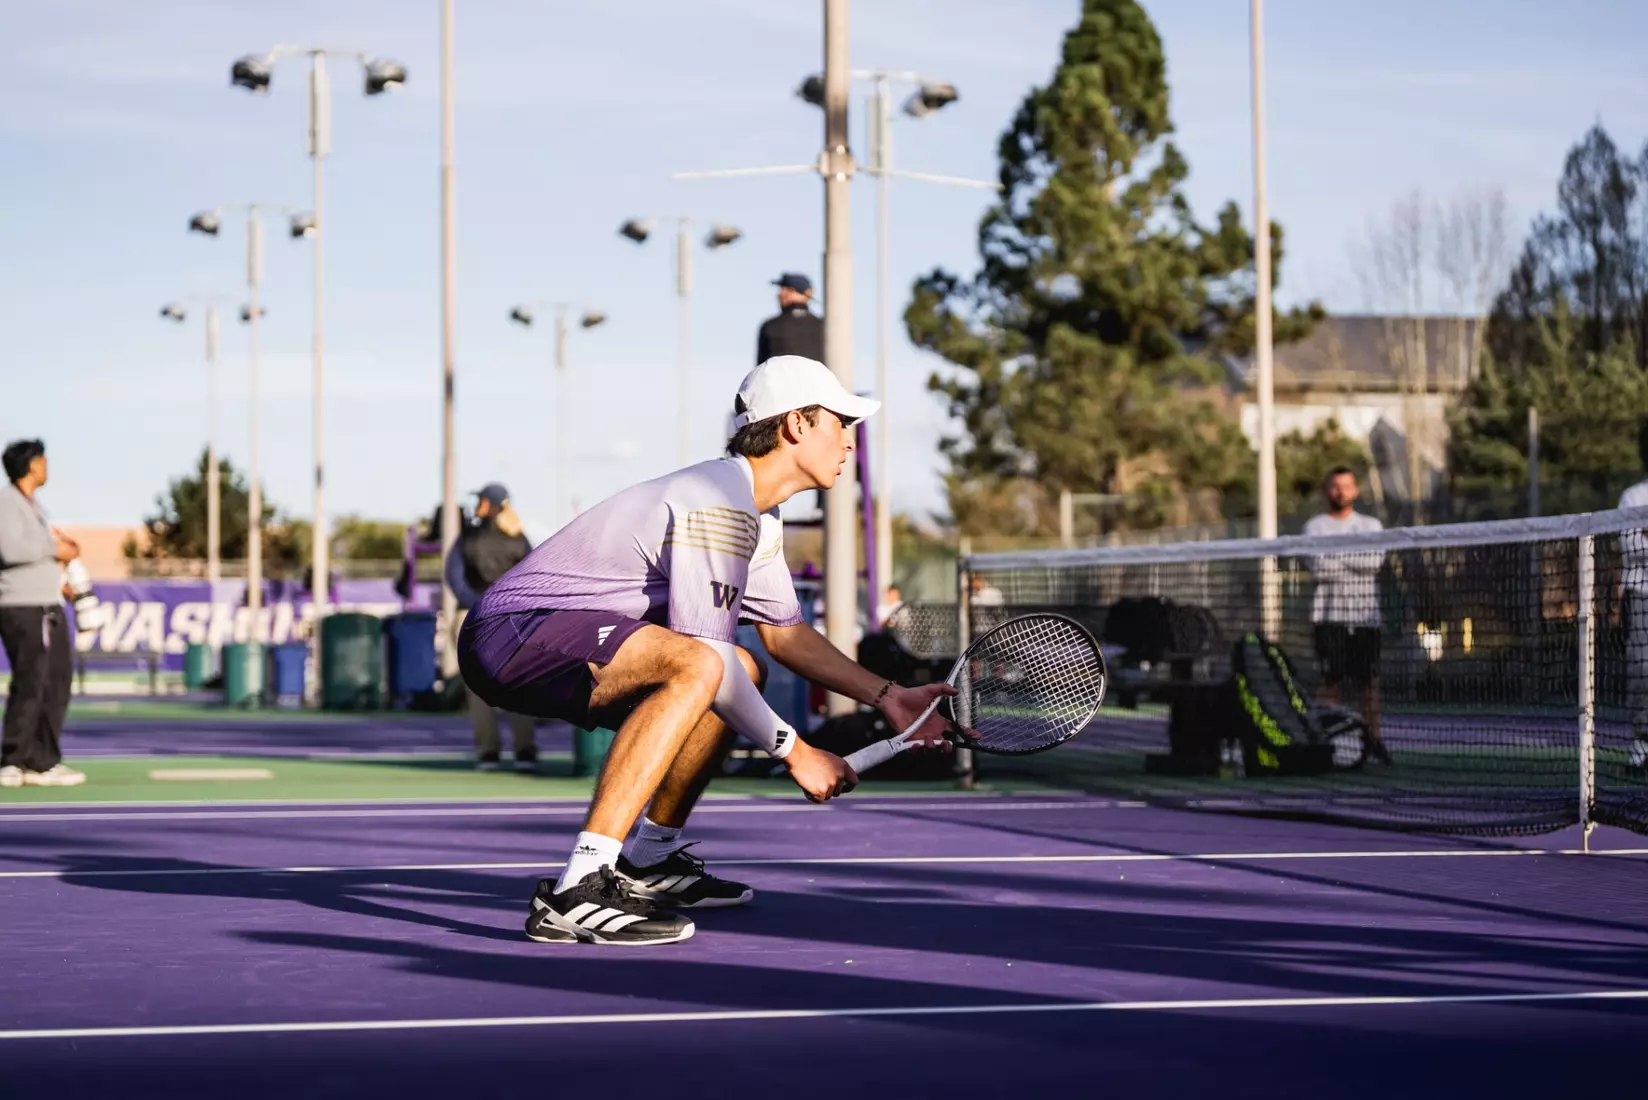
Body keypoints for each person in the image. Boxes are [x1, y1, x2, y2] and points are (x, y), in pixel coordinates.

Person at [459, 355, 959, 946]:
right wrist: (797, 752)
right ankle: (578, 887)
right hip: (510, 631)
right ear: (797, 425)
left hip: (558, 635)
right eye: (840, 422)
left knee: (741, 665)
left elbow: (785, 635)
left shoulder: (759, 517)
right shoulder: (716, 499)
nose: (849, 440)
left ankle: (648, 859)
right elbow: (705, 656)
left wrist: (893, 697)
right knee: (704, 663)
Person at [0, 440, 84, 788]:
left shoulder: (34, 507)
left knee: (57, 680)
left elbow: (34, 556)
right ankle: (12, 759)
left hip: (48, 604)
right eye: (43, 458)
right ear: (30, 465)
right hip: (23, 606)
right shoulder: (7, 502)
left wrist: (58, 581)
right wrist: (55, 547)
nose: (48, 464)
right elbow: (9, 548)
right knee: (31, 680)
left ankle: (42, 760)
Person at [446, 483, 540, 772]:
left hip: (472, 615)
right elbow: (533, 575)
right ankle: (524, 751)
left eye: (480, 500)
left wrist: (479, 604)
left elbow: (455, 578)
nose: (477, 504)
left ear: (489, 504)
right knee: (519, 682)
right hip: (512, 615)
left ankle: (489, 753)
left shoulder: (468, 537)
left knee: (477, 687)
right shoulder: (519, 537)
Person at [1303, 466, 1391, 764]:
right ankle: (1329, 741)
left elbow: (1374, 562)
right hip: (1329, 618)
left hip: (1365, 618)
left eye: (1346, 486)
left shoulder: (1370, 525)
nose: (1340, 491)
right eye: (1335, 486)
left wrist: (1336, 557)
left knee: (1369, 682)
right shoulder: (1314, 527)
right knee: (1330, 680)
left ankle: (1374, 743)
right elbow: (1318, 567)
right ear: (1327, 490)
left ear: (1355, 490)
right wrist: (1354, 558)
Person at [1617, 422, 1648, 771]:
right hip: (1640, 594)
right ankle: (1642, 744)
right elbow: (1631, 546)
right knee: (1641, 669)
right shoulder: (1632, 497)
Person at [755, 273, 824, 366]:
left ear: (793, 291)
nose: (779, 295)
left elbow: (761, 370)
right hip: (817, 380)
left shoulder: (771, 326)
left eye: (784, 289)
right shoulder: (823, 326)